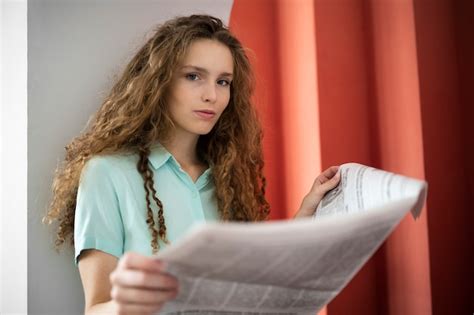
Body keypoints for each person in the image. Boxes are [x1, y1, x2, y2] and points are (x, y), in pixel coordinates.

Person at [44, 14, 340, 315]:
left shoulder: (227, 178)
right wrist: (129, 304)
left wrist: (306, 215)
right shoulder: (106, 173)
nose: (211, 95)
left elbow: (255, 287)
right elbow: (95, 309)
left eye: (223, 82)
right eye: (193, 76)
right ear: (159, 82)